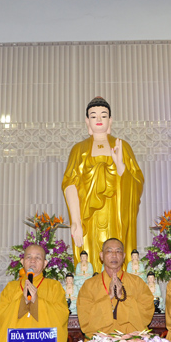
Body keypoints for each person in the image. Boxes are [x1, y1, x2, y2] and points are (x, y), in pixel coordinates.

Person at [62, 97, 145, 273]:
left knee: (115, 249)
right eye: (93, 116)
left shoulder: (122, 146)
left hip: (116, 213)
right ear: (87, 121)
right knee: (89, 256)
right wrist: (75, 221)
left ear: (110, 120)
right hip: (89, 217)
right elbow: (70, 184)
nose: (98, 119)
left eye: (103, 115)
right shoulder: (78, 149)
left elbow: (136, 181)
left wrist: (120, 166)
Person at [0, 245, 69, 342]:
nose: (33, 260)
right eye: (29, 257)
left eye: (38, 257)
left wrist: (37, 301)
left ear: (45, 264)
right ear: (22, 262)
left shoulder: (54, 286)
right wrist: (23, 302)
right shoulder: (11, 287)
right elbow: (0, 314)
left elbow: (61, 314)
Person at [77, 238, 154, 337]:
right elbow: (85, 320)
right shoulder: (89, 285)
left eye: (118, 251)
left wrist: (122, 297)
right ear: (101, 256)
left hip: (132, 341)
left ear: (124, 256)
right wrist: (109, 297)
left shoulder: (137, 282)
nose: (114, 255)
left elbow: (146, 313)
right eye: (109, 251)